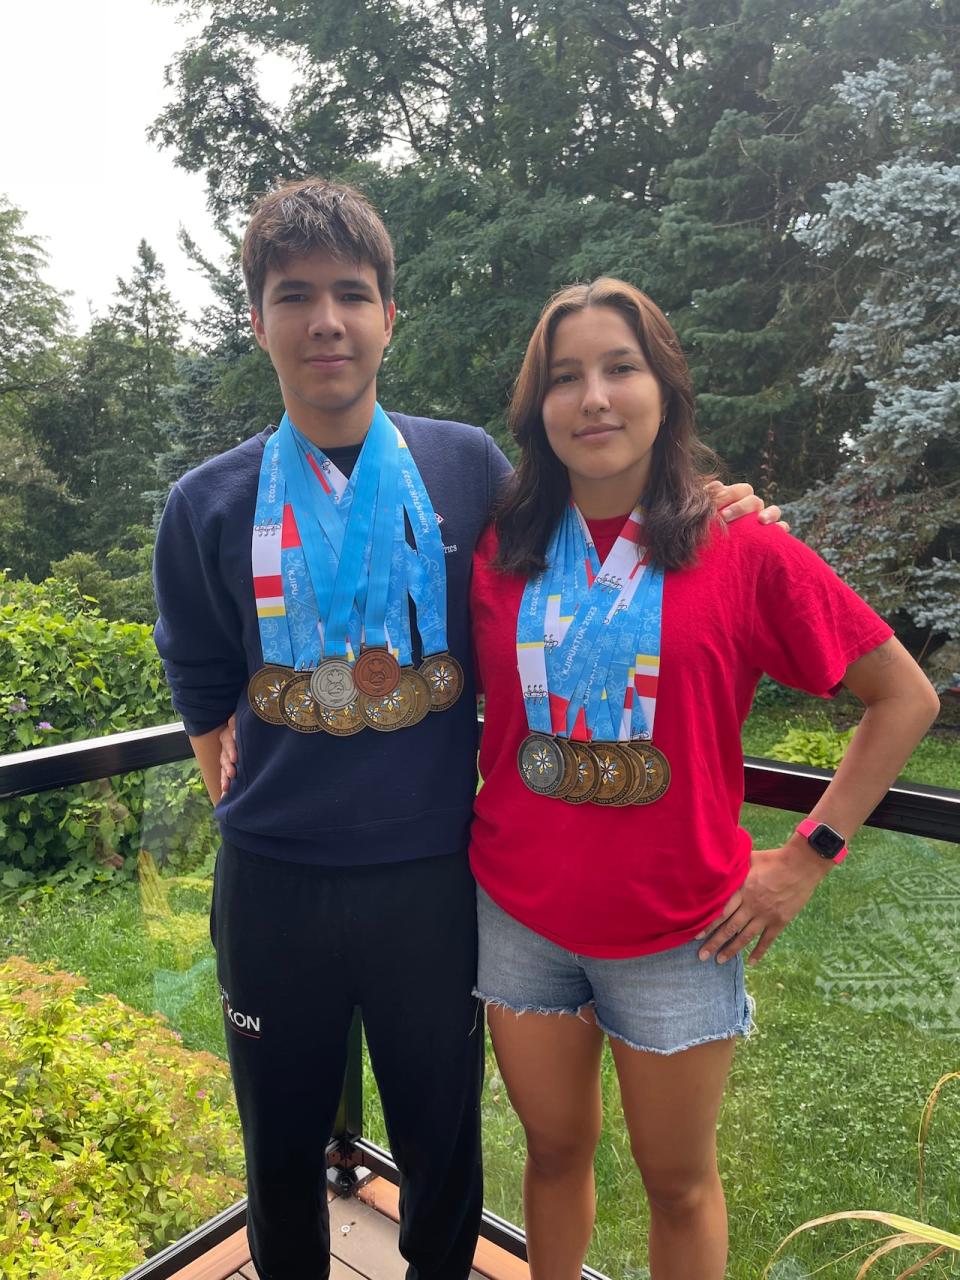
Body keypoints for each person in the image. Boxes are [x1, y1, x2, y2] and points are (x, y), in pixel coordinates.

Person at [155, 176, 779, 1280]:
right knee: (279, 1148)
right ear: (256, 319)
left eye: (352, 293)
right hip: (274, 890)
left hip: (438, 883)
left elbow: (583, 536)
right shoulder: (207, 500)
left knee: (445, 1149)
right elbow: (206, 681)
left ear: (392, 315)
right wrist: (258, 802)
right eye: (294, 296)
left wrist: (718, 511)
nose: (327, 321)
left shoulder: (464, 471)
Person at [466, 278, 941, 1279]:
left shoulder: (740, 544)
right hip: (521, 913)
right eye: (565, 377)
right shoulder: (501, 551)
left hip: (681, 927)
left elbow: (904, 698)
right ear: (537, 408)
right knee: (551, 1154)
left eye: (620, 367)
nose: (593, 397)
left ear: (665, 391)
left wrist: (808, 855)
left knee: (677, 1180)